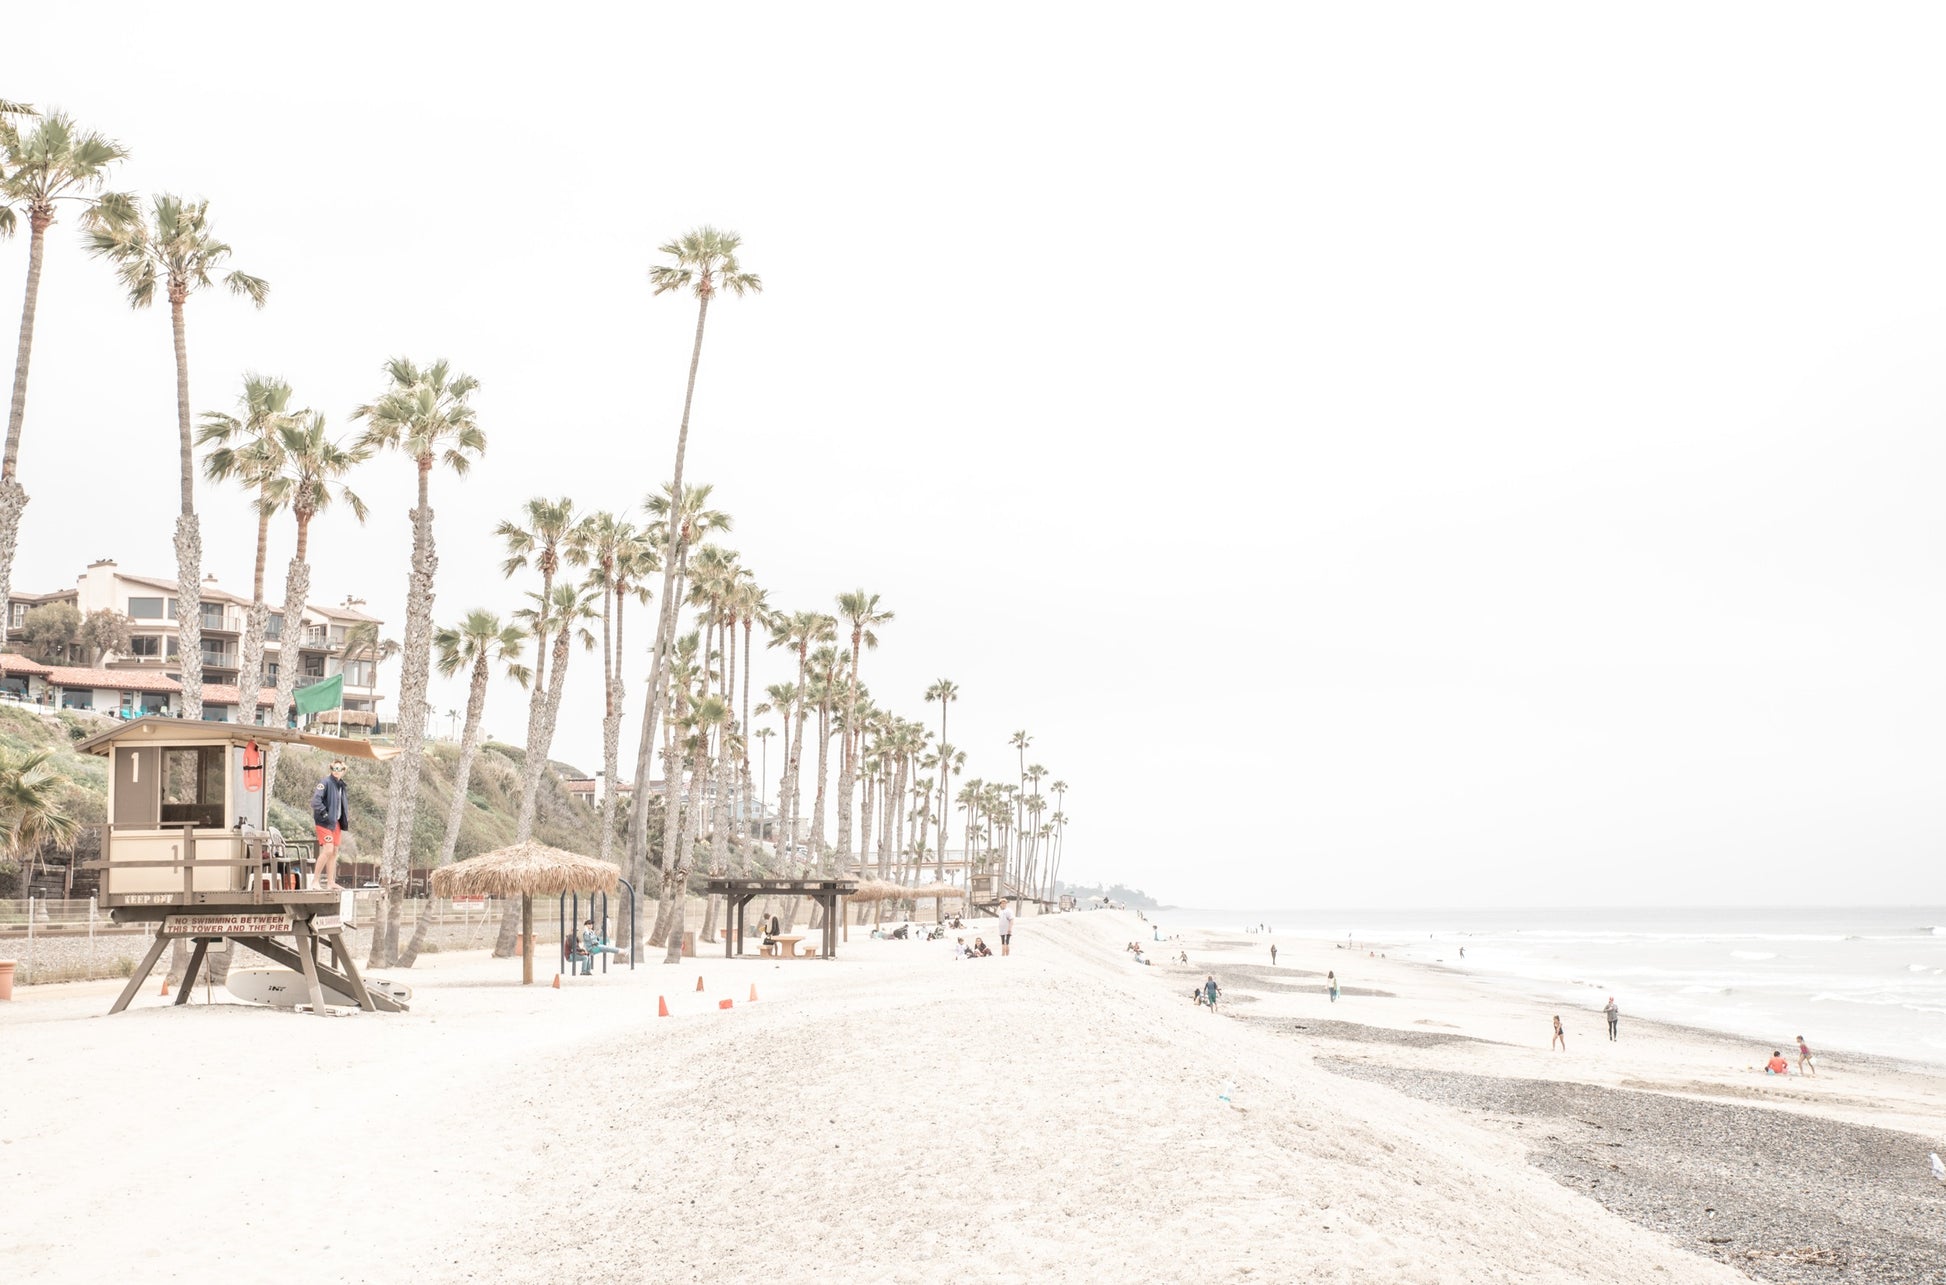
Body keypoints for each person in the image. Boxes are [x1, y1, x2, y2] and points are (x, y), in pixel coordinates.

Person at [310, 759, 351, 890]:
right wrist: (325, 815)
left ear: (344, 771)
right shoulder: (325, 782)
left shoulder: (341, 786)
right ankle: (315, 881)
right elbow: (316, 801)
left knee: (334, 851)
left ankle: (330, 882)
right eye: (334, 768)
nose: (336, 771)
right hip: (324, 822)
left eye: (339, 769)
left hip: (336, 822)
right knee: (327, 849)